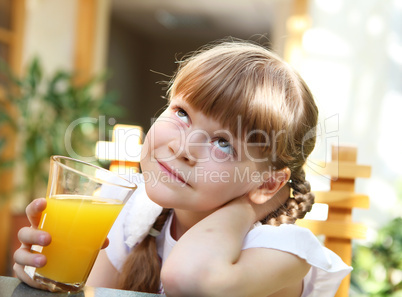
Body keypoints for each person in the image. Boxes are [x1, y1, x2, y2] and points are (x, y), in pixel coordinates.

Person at [14, 39, 351, 297]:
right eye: (182, 113)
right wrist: (48, 278)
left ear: (267, 184)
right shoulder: (134, 213)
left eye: (223, 143)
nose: (182, 147)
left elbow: (188, 278)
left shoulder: (282, 250)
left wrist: (247, 207)